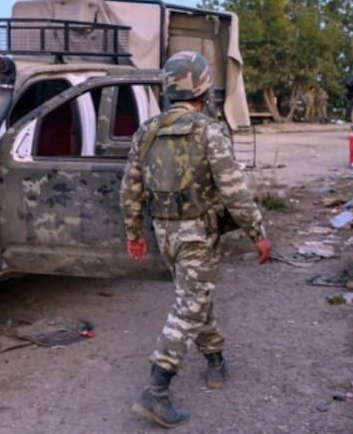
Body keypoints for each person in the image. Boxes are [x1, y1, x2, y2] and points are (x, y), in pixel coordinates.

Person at [120, 50, 272, 429]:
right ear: (203, 87)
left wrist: (134, 232)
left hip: (165, 232)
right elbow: (234, 190)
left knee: (194, 295)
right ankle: (156, 390)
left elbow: (130, 188)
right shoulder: (208, 131)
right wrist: (258, 233)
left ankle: (215, 360)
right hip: (197, 232)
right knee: (190, 303)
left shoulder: (147, 131)